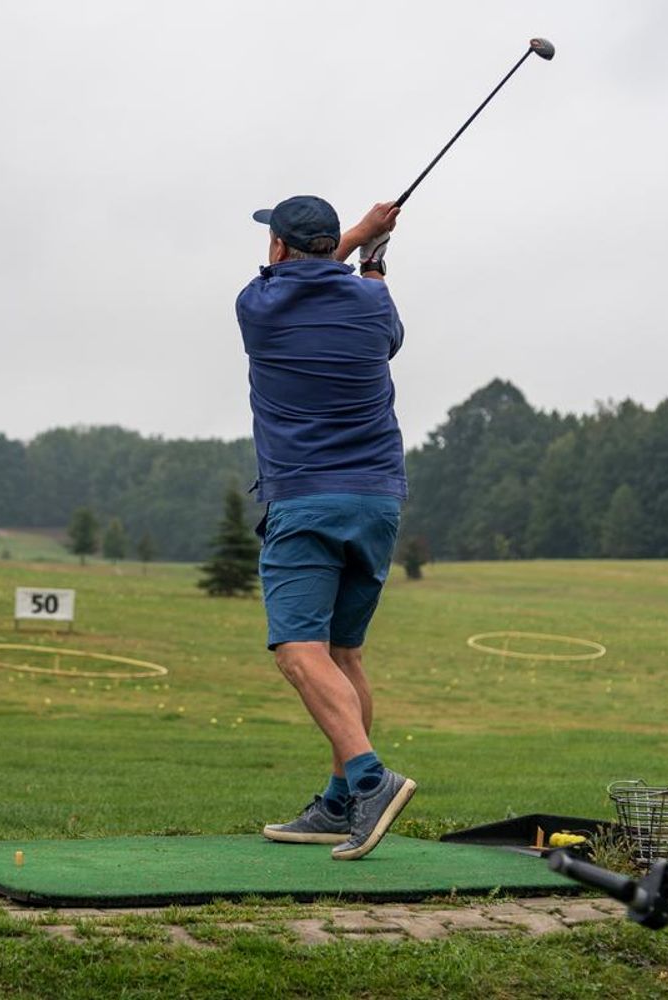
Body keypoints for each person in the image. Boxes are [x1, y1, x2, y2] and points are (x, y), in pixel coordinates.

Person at [237, 194, 413, 861]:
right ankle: (339, 804)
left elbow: (308, 276)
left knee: (297, 651)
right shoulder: (372, 304)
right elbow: (386, 328)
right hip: (377, 500)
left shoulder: (258, 307)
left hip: (306, 501)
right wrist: (374, 255)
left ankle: (370, 779)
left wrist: (363, 236)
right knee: (345, 654)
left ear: (279, 248)